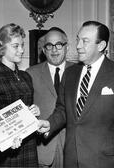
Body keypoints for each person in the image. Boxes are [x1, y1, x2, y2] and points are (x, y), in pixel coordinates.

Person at [38, 20, 114, 168]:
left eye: (85, 41)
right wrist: (49, 123)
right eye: (78, 39)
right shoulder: (70, 73)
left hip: (103, 160)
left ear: (101, 46)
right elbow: (62, 109)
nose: (78, 46)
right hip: (71, 158)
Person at [0, 23, 40, 167]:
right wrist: (6, 139)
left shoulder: (26, 76)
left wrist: (34, 111)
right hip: (6, 152)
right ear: (1, 48)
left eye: (22, 45)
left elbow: (26, 107)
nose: (21, 50)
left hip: (29, 145)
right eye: (15, 46)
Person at [26, 27, 73, 168]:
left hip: (73, 147)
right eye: (49, 46)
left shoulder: (79, 72)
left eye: (59, 44)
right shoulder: (30, 74)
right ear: (43, 50)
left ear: (67, 47)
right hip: (43, 149)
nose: (54, 50)